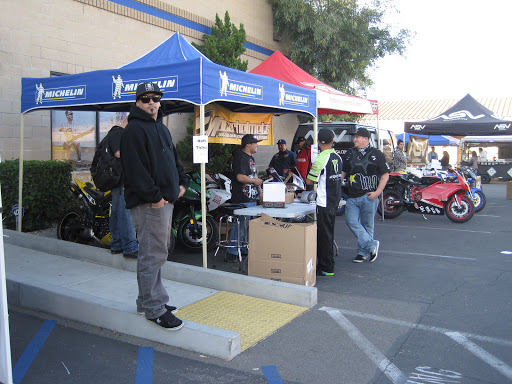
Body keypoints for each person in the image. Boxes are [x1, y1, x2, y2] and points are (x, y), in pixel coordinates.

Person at [121, 82, 188, 330]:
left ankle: (147, 300)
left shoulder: (161, 128)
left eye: (155, 98)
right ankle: (154, 308)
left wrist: (182, 183)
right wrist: (156, 198)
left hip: (165, 201)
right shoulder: (134, 130)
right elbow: (136, 172)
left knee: (156, 253)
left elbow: (174, 161)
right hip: (150, 204)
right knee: (153, 254)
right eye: (146, 98)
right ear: (138, 102)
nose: (152, 102)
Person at [342, 127, 390, 264]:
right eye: (354, 137)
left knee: (367, 225)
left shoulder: (377, 154)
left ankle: (362, 253)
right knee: (351, 221)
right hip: (352, 196)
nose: (354, 139)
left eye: (357, 137)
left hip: (369, 196)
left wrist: (377, 193)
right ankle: (371, 244)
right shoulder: (350, 153)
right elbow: (343, 172)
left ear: (366, 139)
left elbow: (385, 175)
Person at [306, 129, 342, 277]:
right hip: (335, 199)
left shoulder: (321, 158)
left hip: (324, 201)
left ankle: (327, 267)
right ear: (333, 141)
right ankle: (327, 264)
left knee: (324, 236)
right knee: (329, 233)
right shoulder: (338, 157)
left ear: (319, 142)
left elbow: (310, 180)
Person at [225, 134, 264, 262]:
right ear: (248, 144)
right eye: (255, 143)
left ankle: (242, 248)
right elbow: (240, 177)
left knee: (247, 225)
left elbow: (254, 176)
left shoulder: (250, 158)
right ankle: (232, 252)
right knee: (241, 224)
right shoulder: (240, 157)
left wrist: (260, 193)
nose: (257, 145)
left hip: (251, 198)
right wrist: (255, 181)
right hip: (242, 198)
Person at [108, 119, 138, 259]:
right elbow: (118, 153)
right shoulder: (117, 133)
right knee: (124, 212)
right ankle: (130, 246)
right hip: (120, 179)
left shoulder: (120, 134)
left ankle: (117, 244)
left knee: (117, 211)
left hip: (119, 179)